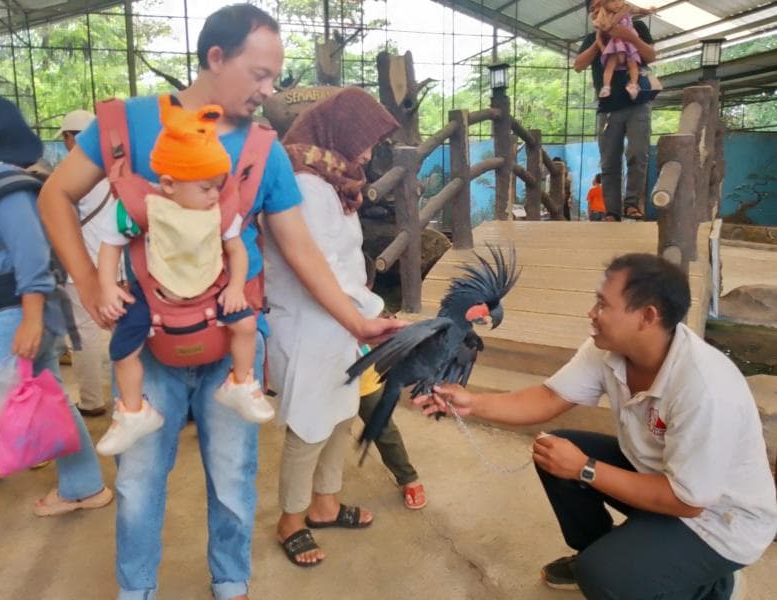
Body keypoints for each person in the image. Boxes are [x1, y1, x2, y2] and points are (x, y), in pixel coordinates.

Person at [37, 5, 402, 599]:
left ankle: (231, 584)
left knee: (234, 478)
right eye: (259, 74)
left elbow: (303, 252)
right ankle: (137, 590)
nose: (269, 90)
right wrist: (90, 282)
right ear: (215, 58)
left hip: (230, 341)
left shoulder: (265, 150)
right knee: (138, 481)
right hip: (146, 338)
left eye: (274, 77)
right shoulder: (128, 124)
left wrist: (358, 320)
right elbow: (55, 194)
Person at [415, 253, 777, 599]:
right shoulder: (607, 349)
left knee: (602, 579)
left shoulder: (705, 389)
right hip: (661, 476)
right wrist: (472, 403)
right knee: (552, 450)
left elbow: (689, 501)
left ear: (647, 316)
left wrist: (586, 469)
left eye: (603, 304)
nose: (592, 313)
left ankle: (709, 587)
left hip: (720, 521)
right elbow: (548, 397)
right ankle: (604, 551)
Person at [94, 95, 272, 457]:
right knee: (124, 347)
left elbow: (236, 250)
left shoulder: (220, 212)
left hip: (213, 290)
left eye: (218, 186)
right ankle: (132, 410)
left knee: (246, 325)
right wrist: (106, 287)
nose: (213, 195)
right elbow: (110, 246)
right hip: (151, 291)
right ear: (170, 183)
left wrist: (237, 287)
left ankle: (240, 382)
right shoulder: (138, 209)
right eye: (205, 187)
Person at [266, 87, 399, 568]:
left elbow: (341, 263)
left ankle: (324, 503)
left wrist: (364, 316)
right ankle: (291, 519)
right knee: (309, 422)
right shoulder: (303, 185)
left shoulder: (331, 184)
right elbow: (317, 266)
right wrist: (370, 311)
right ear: (337, 133)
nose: (366, 153)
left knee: (341, 413)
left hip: (341, 323)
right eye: (363, 141)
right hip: (307, 323)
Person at [0, 89, 112, 513]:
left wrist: (32, 318)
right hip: (14, 309)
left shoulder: (1, 180)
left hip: (12, 310)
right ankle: (84, 485)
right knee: (46, 392)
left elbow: (31, 252)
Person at [575, 0, 655, 222]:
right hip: (608, 108)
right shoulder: (593, 37)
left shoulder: (637, 28)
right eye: (594, 8)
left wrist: (628, 36)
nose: (601, 10)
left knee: (638, 153)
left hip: (637, 103)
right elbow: (578, 65)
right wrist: (601, 38)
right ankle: (612, 211)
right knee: (609, 161)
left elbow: (651, 56)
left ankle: (632, 204)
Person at [357, 253, 426, 510]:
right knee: (323, 437)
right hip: (329, 382)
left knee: (385, 431)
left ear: (370, 285)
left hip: (367, 383)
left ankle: (407, 477)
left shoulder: (375, 308)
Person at [59, 109, 113, 417]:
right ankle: (130, 398)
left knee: (84, 335)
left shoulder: (69, 172)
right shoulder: (113, 169)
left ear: (70, 138)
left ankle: (92, 401)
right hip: (116, 265)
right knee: (124, 332)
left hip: (82, 267)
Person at [591, 0, 656, 100]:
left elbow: (639, 10)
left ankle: (633, 85)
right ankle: (606, 86)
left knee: (633, 64)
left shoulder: (627, 9)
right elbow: (598, 35)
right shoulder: (606, 16)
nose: (617, 4)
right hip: (616, 44)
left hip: (629, 43)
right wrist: (601, 47)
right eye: (612, 2)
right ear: (605, 4)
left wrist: (648, 10)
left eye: (619, 0)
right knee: (610, 64)